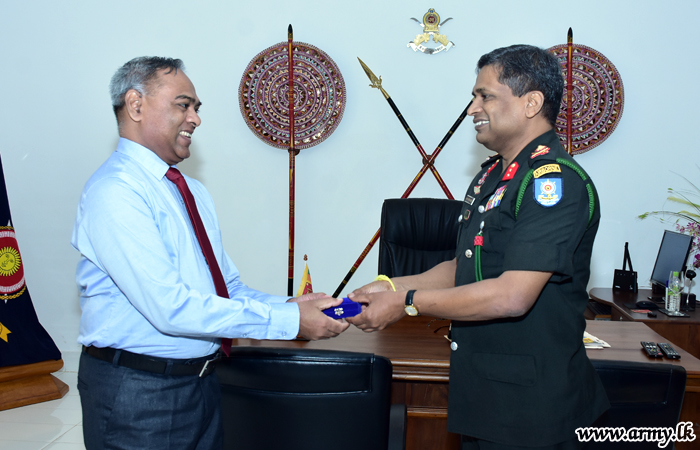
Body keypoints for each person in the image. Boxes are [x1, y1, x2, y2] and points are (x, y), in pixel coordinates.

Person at [71, 56, 348, 450]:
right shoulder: (116, 192)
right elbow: (170, 308)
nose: (196, 119)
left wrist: (290, 305)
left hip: (201, 384)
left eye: (196, 107)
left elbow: (226, 289)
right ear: (135, 105)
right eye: (183, 105)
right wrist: (290, 321)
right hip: (139, 394)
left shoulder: (190, 191)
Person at [347, 45, 609, 449]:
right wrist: (391, 286)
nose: (473, 108)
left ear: (531, 103)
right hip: (485, 401)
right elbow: (462, 268)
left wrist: (407, 302)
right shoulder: (493, 176)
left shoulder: (552, 184)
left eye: (485, 96)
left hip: (533, 413)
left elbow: (512, 296)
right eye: (474, 96)